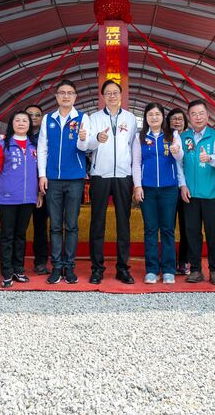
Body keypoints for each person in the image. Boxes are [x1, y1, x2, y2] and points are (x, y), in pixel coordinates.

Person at [83, 80, 138, 284]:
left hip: (123, 176)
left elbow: (133, 147)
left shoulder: (130, 118)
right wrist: (97, 138)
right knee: (98, 222)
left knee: (123, 223)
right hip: (100, 175)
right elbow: (87, 145)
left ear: (121, 95)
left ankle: (122, 268)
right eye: (108, 93)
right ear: (103, 96)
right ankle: (97, 268)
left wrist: (134, 177)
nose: (112, 96)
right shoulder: (94, 118)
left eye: (115, 92)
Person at [37, 79, 90, 285]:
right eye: (62, 93)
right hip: (53, 179)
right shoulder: (48, 118)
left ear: (75, 96)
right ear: (56, 96)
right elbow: (42, 148)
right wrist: (42, 175)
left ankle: (69, 266)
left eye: (70, 93)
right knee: (55, 225)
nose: (66, 96)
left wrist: (83, 138)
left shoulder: (82, 118)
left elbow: (85, 148)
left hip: (75, 178)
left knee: (72, 225)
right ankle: (56, 266)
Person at [132, 102, 185, 284]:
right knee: (150, 229)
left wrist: (176, 150)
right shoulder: (139, 137)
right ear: (146, 118)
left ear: (163, 117)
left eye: (157, 114)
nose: (154, 117)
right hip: (147, 189)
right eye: (150, 115)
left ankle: (169, 269)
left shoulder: (173, 135)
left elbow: (180, 157)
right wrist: (138, 186)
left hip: (169, 188)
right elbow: (136, 163)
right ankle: (152, 269)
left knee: (168, 229)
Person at [0, 110, 41, 288]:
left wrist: (39, 193)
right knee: (7, 235)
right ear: (11, 124)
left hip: (28, 198)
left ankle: (19, 269)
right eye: (17, 120)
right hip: (8, 197)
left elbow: (39, 171)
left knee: (20, 235)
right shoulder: (3, 144)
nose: (21, 123)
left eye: (25, 121)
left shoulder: (34, 145)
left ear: (29, 125)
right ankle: (7, 272)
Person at [179, 99, 215, 286]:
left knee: (213, 233)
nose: (198, 117)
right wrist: (182, 185)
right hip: (190, 194)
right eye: (194, 114)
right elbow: (179, 164)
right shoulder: (183, 137)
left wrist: (209, 158)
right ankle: (196, 269)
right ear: (189, 117)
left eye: (201, 113)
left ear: (207, 115)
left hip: (212, 193)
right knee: (192, 233)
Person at [25, 104, 50, 275]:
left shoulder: (46, 137)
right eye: (30, 115)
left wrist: (40, 190)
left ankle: (41, 262)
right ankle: (15, 264)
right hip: (22, 188)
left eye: (37, 115)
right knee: (19, 227)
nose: (33, 117)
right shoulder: (16, 136)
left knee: (41, 226)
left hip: (43, 188)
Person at [167, 108, 192, 275]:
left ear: (185, 122)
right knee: (168, 226)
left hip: (187, 188)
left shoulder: (189, 139)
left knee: (186, 226)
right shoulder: (165, 138)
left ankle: (184, 261)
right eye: (174, 119)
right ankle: (169, 261)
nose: (177, 122)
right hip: (169, 187)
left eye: (180, 119)